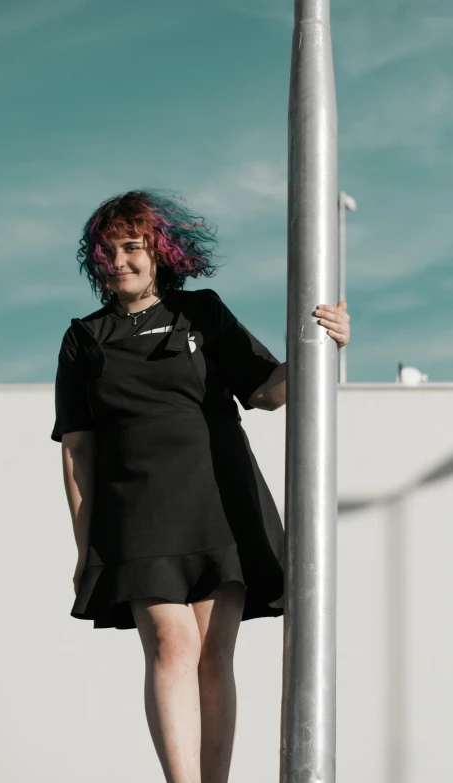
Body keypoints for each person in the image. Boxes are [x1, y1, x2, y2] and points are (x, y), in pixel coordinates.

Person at [50, 188, 350, 783]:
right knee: (170, 639)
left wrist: (324, 347)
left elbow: (267, 391)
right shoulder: (84, 338)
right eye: (107, 251)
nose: (119, 261)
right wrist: (85, 548)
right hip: (137, 511)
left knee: (214, 655)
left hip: (220, 501)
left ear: (158, 251)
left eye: (131, 248)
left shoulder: (202, 313)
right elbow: (78, 452)